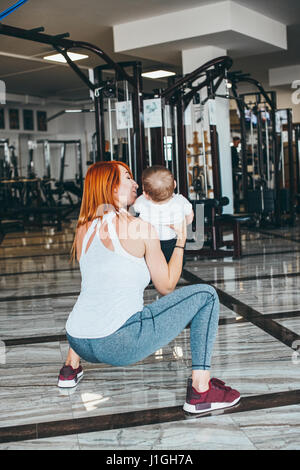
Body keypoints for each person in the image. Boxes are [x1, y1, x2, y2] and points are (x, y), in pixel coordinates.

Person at [58, 161, 240, 414]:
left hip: (77, 338)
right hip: (117, 344)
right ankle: (201, 390)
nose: (135, 183)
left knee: (95, 291)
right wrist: (181, 239)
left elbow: (99, 287)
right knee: (206, 295)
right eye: (128, 177)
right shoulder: (141, 228)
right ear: (111, 188)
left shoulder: (83, 228)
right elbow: (166, 286)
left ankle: (70, 367)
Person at [133, 165, 193, 263]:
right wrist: (184, 223)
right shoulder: (181, 200)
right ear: (174, 184)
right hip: (173, 241)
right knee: (175, 260)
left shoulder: (142, 201)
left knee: (151, 264)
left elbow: (133, 211)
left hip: (150, 243)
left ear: (145, 193)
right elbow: (190, 216)